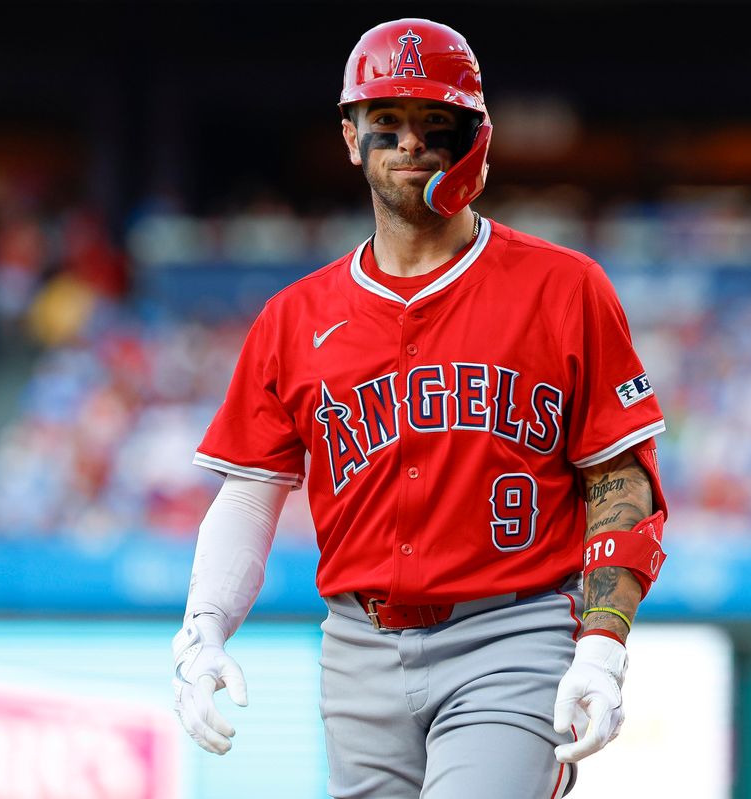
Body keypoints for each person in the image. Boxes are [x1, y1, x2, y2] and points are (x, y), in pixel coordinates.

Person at [172, 17, 668, 799]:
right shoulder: (294, 317)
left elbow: (621, 481)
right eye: (388, 123)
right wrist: (203, 628)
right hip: (357, 645)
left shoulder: (565, 287)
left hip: (511, 631)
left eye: (436, 125)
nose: (410, 144)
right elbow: (252, 488)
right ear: (349, 137)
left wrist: (602, 646)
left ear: (477, 137)